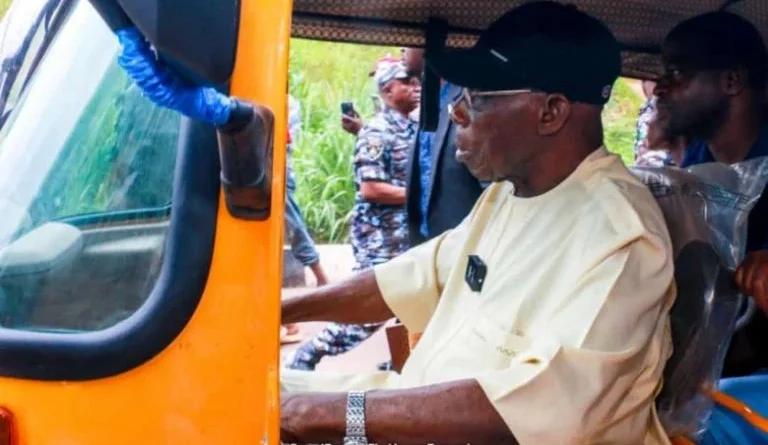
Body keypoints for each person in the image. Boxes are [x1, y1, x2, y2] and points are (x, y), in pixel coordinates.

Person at [279, 3, 676, 444]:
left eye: (477, 99)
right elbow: (408, 279)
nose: (457, 114)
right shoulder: (506, 195)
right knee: (264, 393)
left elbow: (542, 411)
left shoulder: (621, 236)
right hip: (423, 403)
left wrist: (343, 416)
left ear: (551, 112)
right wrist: (276, 311)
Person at [653, 11, 768, 445]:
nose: (661, 87)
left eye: (677, 74)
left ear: (732, 82)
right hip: (717, 350)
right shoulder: (697, 162)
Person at [285, 60, 420, 370]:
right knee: (370, 310)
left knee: (412, 306)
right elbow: (371, 189)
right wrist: (422, 197)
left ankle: (398, 367)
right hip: (380, 238)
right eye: (406, 82)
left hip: (405, 237)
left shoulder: (410, 127)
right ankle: (309, 354)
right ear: (387, 91)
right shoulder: (377, 131)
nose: (415, 87)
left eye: (415, 81)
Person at [280, 94, 330, 344]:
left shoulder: (287, 102)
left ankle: (321, 277)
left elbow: (283, 139)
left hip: (274, 168)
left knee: (293, 225)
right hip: (270, 168)